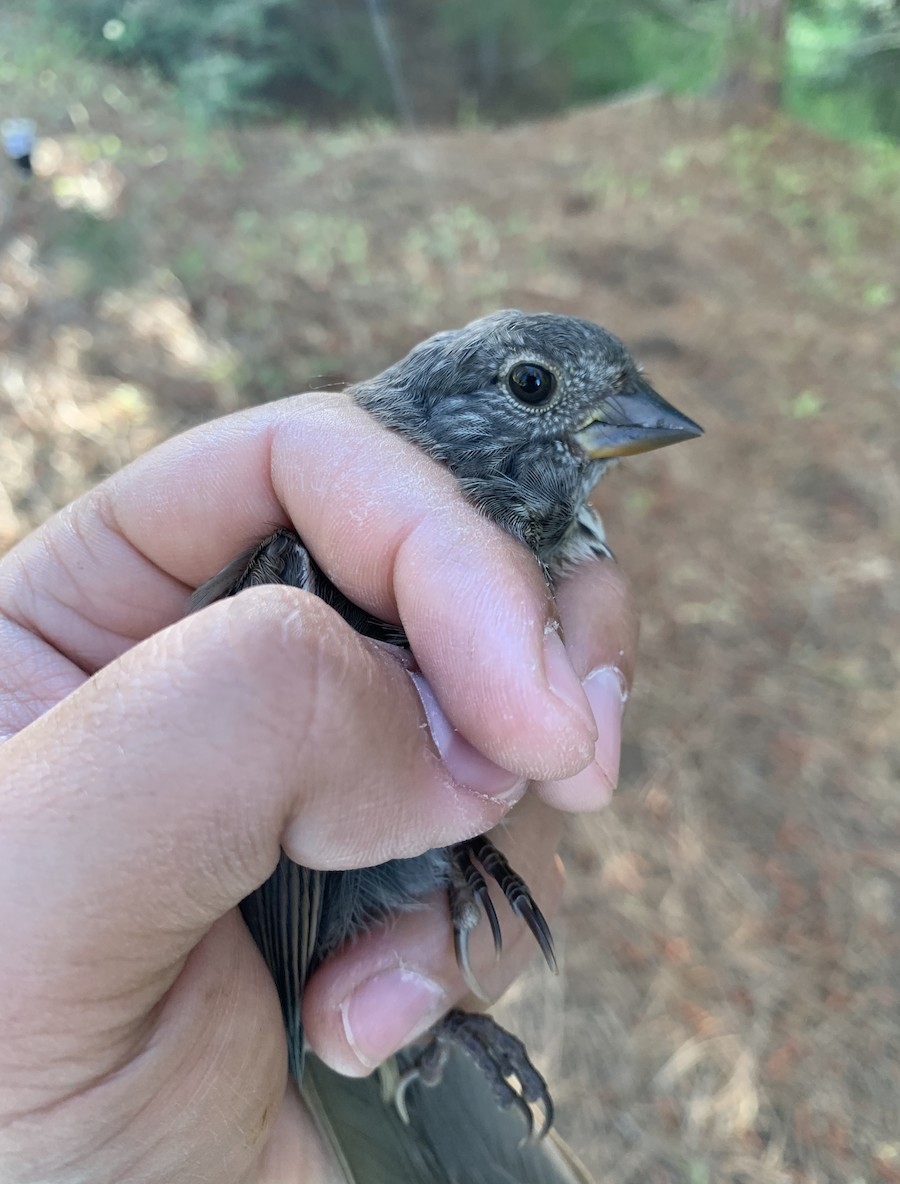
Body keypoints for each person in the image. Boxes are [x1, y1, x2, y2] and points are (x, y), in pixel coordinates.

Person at [0, 389, 637, 1183]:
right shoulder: (308, 553)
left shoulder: (533, 558)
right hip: (274, 987)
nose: (631, 419)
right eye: (535, 388)